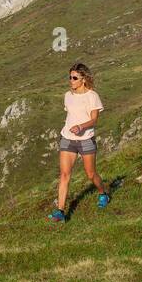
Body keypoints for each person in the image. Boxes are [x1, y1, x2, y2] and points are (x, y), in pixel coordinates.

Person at [48, 62, 109, 222]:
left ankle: (103, 193)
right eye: (70, 77)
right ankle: (60, 211)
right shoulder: (68, 96)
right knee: (64, 175)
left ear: (83, 79)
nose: (71, 80)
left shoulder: (92, 96)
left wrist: (81, 126)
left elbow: (94, 120)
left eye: (74, 77)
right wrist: (72, 128)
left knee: (90, 174)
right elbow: (71, 115)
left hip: (86, 139)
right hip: (68, 138)